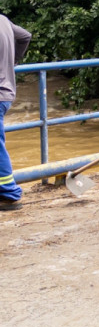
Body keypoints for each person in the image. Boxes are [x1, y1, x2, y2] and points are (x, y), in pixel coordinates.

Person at [0, 14, 31, 211]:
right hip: (6, 91)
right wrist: (13, 62)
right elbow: (25, 37)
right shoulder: (3, 20)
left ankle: (9, 193)